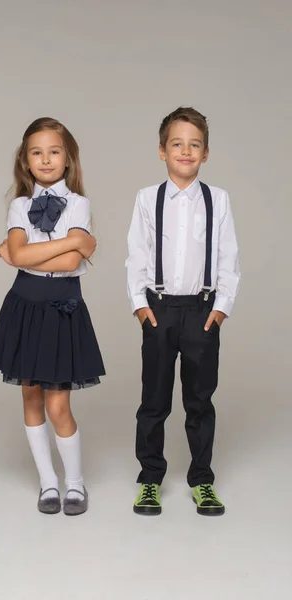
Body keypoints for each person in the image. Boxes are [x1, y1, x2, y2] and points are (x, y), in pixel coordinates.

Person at [0, 117, 105, 516]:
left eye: (54, 151)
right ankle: (47, 484)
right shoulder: (19, 205)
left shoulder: (79, 204)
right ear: (25, 160)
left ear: (68, 158)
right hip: (24, 306)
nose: (46, 159)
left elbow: (69, 262)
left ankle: (75, 483)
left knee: (59, 406)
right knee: (30, 396)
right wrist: (75, 239)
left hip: (61, 308)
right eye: (37, 152)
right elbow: (26, 254)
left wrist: (44, 251)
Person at [126, 107, 240, 516]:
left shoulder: (218, 200)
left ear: (206, 154)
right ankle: (150, 479)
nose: (186, 151)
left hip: (202, 311)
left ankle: (202, 480)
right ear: (162, 151)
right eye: (177, 143)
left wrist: (221, 309)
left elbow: (228, 258)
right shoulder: (146, 199)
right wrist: (140, 307)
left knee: (200, 399)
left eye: (194, 144)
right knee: (153, 399)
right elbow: (136, 256)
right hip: (158, 310)